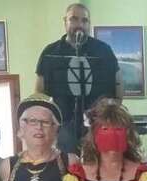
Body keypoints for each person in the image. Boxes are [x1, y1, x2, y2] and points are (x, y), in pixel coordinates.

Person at [35, 3, 123, 153]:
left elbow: (118, 91)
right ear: (65, 21)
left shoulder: (104, 51)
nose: (80, 25)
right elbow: (39, 94)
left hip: (99, 125)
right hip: (62, 127)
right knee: (67, 161)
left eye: (84, 20)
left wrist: (108, 110)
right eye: (74, 19)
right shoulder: (50, 52)